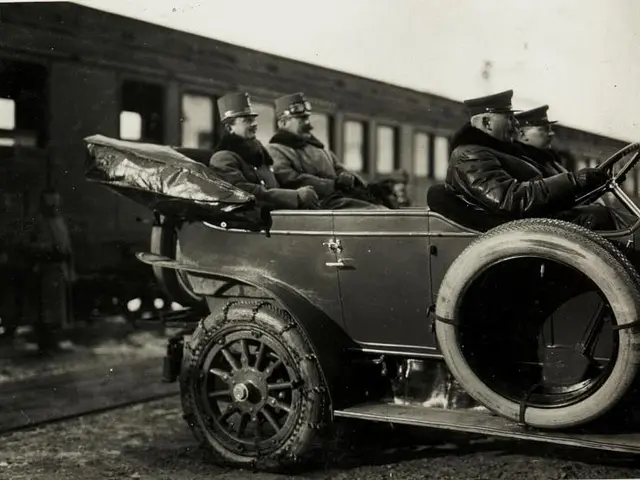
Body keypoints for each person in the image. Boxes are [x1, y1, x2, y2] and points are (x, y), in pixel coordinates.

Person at [443, 89, 617, 230]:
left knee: (603, 215)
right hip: (522, 232)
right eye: (509, 118)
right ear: (487, 123)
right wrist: (573, 180)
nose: (516, 125)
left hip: (529, 227)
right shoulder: (470, 156)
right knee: (600, 217)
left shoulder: (492, 153)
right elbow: (511, 199)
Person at [266, 92, 388, 209]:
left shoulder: (317, 147)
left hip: (340, 197)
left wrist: (361, 183)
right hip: (319, 203)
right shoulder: (276, 149)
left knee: (385, 207)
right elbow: (291, 180)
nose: (308, 123)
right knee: (375, 213)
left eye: (307, 118)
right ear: (283, 123)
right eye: (301, 119)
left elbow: (339, 167)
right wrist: (333, 185)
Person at [208, 92, 319, 210]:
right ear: (229, 128)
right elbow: (242, 191)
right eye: (247, 121)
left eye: (254, 119)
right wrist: (295, 196)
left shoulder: (259, 153)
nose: (255, 124)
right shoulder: (222, 158)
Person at [515, 105, 567, 176]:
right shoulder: (518, 163)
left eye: (550, 129)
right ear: (522, 134)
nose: (551, 133)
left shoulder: (549, 160)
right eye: (545, 129)